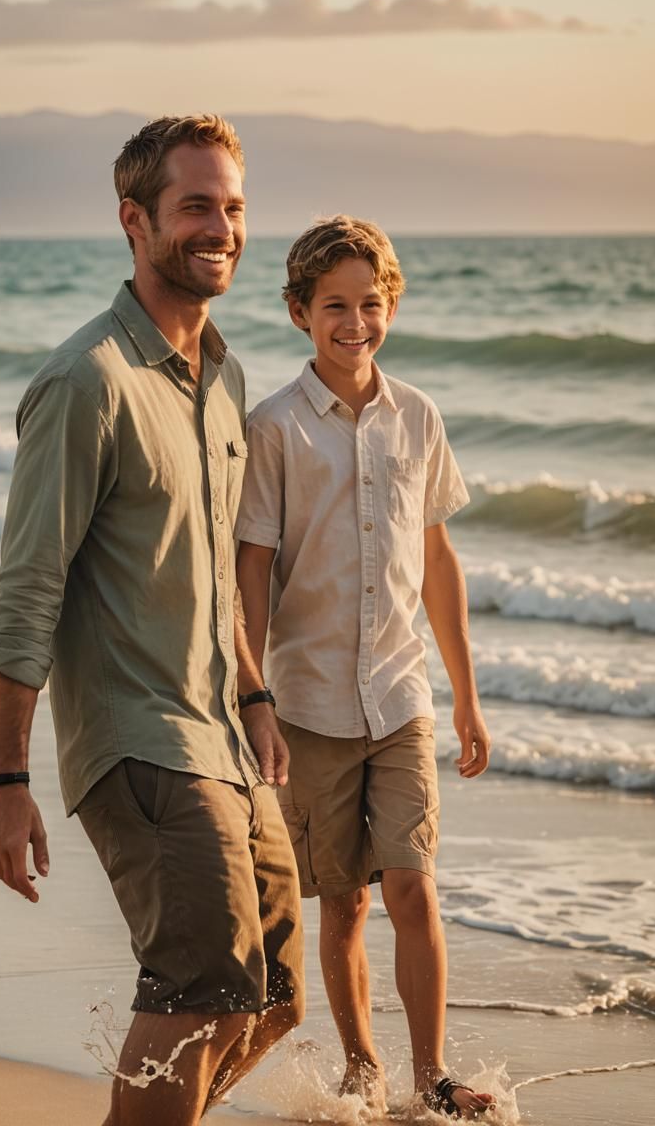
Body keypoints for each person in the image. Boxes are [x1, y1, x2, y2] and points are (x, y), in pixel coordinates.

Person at [0, 114, 304, 1126]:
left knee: (273, 999)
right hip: (137, 739)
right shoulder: (86, 384)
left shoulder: (223, 378)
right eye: (195, 206)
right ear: (136, 220)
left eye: (233, 207)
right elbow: (26, 587)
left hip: (223, 736)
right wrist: (6, 780)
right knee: (203, 983)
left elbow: (208, 566)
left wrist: (254, 691)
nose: (220, 227)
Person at [235, 215, 495, 1119]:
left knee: (414, 885)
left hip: (400, 697)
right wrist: (252, 694)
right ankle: (362, 1067)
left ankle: (430, 1077)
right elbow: (253, 570)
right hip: (306, 706)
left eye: (371, 304)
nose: (355, 322)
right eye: (334, 306)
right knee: (342, 904)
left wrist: (464, 698)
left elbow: (438, 562)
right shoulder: (271, 428)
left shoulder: (418, 415)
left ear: (392, 307)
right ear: (301, 311)